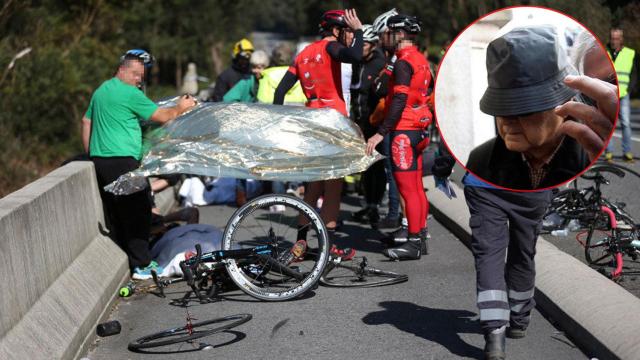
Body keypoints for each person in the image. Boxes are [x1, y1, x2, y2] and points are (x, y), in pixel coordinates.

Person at [463, 27, 619, 360]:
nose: (508, 123)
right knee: (494, 254)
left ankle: (515, 318)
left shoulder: (580, 152)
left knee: (519, 252)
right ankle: (498, 333)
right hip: (484, 189)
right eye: (503, 111)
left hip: (524, 195)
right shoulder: (481, 159)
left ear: (564, 106)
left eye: (525, 111)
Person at [81, 49, 197, 279]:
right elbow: (163, 117)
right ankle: (142, 265)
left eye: (140, 76)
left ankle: (137, 259)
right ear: (122, 70)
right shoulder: (129, 94)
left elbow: (86, 121)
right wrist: (182, 108)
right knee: (137, 212)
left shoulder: (101, 90)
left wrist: (91, 154)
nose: (138, 80)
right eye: (135, 74)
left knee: (121, 212)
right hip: (122, 160)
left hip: (103, 160)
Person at [466, 26, 612, 190]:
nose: (507, 119)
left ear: (566, 103)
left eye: (524, 109)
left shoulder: (592, 159)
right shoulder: (480, 161)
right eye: (501, 108)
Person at [274, 9, 363, 259]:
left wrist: (279, 123)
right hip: (333, 122)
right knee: (333, 186)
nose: (346, 35)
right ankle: (330, 246)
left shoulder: (303, 54)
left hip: (312, 121)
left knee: (313, 185)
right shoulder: (331, 48)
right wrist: (358, 31)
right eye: (343, 31)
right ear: (336, 30)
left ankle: (301, 243)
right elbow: (355, 55)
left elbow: (280, 91)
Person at [366, 14, 432, 261]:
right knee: (416, 187)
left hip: (405, 131)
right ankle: (420, 237)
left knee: (408, 190)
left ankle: (413, 243)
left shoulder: (404, 62)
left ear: (399, 34)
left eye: (386, 33)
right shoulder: (421, 59)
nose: (383, 37)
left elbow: (399, 99)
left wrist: (380, 133)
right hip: (420, 129)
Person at [349, 24, 387, 229]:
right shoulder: (356, 62)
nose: (359, 47)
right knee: (365, 166)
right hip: (359, 122)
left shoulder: (379, 63)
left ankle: (374, 205)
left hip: (375, 123)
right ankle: (368, 203)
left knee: (376, 166)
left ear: (372, 45)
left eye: (363, 44)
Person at [604, 28, 638, 162]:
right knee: (608, 124)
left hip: (624, 94)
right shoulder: (604, 52)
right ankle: (608, 153)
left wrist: (630, 88)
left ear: (621, 39)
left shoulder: (630, 53)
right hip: (608, 94)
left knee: (626, 123)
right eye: (612, 38)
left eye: (617, 38)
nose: (614, 41)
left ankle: (627, 152)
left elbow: (634, 74)